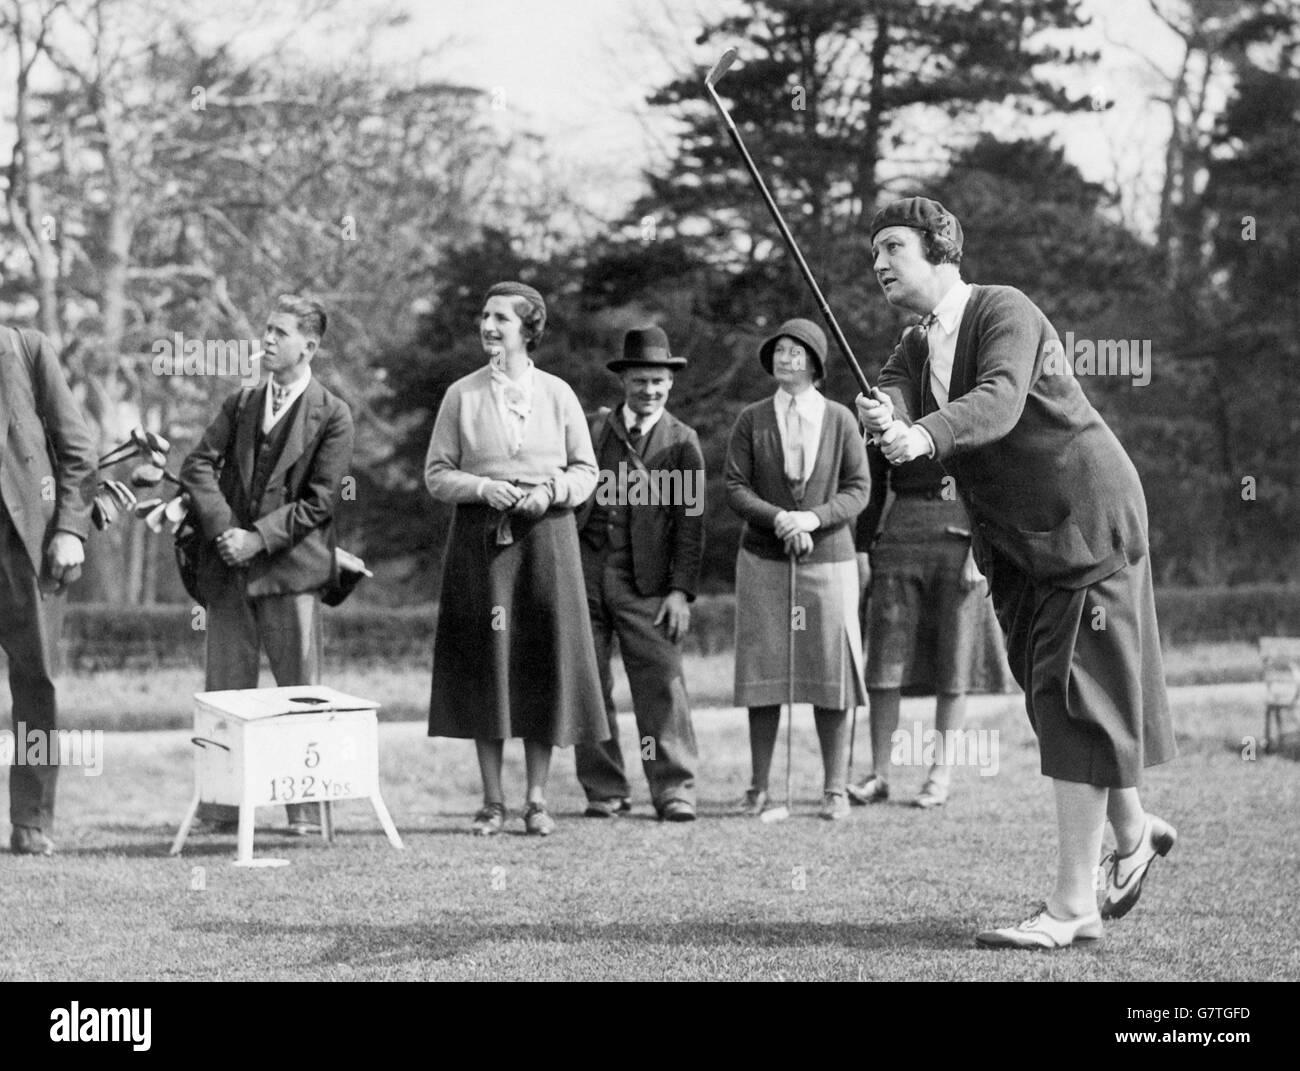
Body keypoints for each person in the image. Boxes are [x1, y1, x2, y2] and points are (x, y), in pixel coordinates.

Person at [857, 197, 1177, 949]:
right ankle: (1132, 833)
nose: (878, 264)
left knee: (1073, 695)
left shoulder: (1006, 310)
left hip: (1081, 519)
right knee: (1054, 694)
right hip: (1019, 546)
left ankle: (1072, 907)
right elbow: (896, 386)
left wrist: (922, 435)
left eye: (893, 247)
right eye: (873, 253)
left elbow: (998, 401)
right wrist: (884, 417)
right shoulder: (913, 343)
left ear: (942, 249)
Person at [425, 281, 607, 837]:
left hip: (546, 541)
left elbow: (586, 470)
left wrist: (550, 491)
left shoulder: (558, 393)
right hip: (483, 545)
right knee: (489, 664)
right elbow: (436, 473)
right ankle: (491, 801)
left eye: (501, 318)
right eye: (484, 314)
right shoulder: (462, 394)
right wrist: (482, 489)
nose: (488, 326)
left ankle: (535, 799)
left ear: (529, 329)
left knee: (539, 662)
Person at [181, 294, 355, 837]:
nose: (267, 340)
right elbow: (197, 466)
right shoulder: (241, 403)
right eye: (266, 330)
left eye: (279, 332)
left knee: (298, 694)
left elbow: (321, 501)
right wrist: (223, 531)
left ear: (310, 345)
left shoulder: (334, 413)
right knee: (226, 694)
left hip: (292, 572)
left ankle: (305, 813)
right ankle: (220, 809)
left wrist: (256, 539)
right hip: (229, 570)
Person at [725, 318, 870, 820]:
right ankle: (759, 785)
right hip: (763, 558)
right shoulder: (752, 419)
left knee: (830, 669)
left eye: (797, 352)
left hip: (829, 559)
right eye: (780, 352)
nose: (786, 359)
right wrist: (780, 519)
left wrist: (812, 517)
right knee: (765, 669)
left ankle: (834, 788)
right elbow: (735, 486)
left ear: (815, 363)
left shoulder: (840, 419)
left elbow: (859, 488)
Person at [573, 326, 705, 822]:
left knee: (661, 685)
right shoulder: (592, 431)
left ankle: (674, 789)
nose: (649, 391)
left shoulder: (681, 443)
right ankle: (604, 789)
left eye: (658, 383)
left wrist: (680, 592)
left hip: (647, 584)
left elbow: (690, 527)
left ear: (669, 384)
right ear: (623, 381)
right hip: (588, 570)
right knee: (590, 685)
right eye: (640, 381)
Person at [847, 450, 1014, 809]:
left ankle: (939, 775)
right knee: (884, 660)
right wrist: (862, 548)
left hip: (960, 533)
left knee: (954, 657)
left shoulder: (974, 395)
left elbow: (991, 476)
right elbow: (872, 482)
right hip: (900, 529)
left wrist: (980, 546)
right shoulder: (889, 398)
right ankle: (879, 774)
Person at [0, 324, 96, 856]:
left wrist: (68, 531)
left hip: (26, 549)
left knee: (37, 684)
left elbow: (78, 451)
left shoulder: (26, 348)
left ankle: (31, 820)